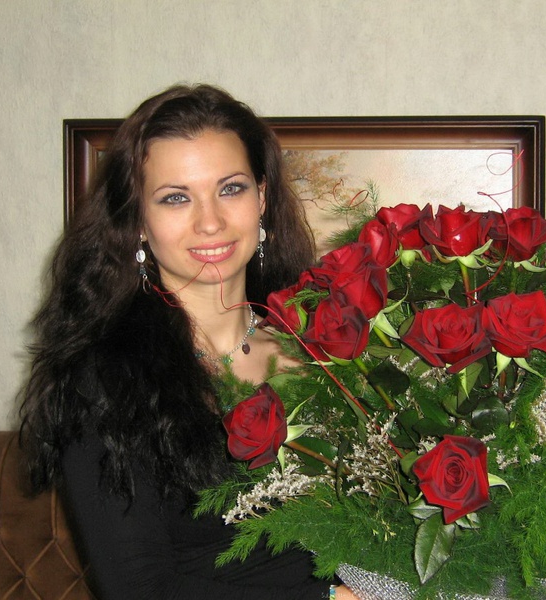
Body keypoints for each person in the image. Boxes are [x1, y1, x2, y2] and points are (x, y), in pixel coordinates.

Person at [20, 84, 358, 599]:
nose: (210, 221)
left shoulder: (322, 348)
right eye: (176, 198)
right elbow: (140, 590)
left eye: (231, 189)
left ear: (262, 198)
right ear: (137, 220)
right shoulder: (102, 381)